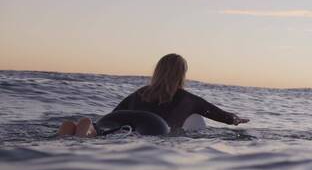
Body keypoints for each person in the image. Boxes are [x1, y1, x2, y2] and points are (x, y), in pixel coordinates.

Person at [57, 53, 249, 137]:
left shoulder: (138, 93)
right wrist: (238, 119)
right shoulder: (189, 99)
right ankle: (84, 132)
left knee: (102, 131)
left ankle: (79, 130)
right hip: (153, 125)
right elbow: (224, 117)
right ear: (182, 74)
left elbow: (113, 115)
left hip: (119, 119)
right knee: (133, 134)